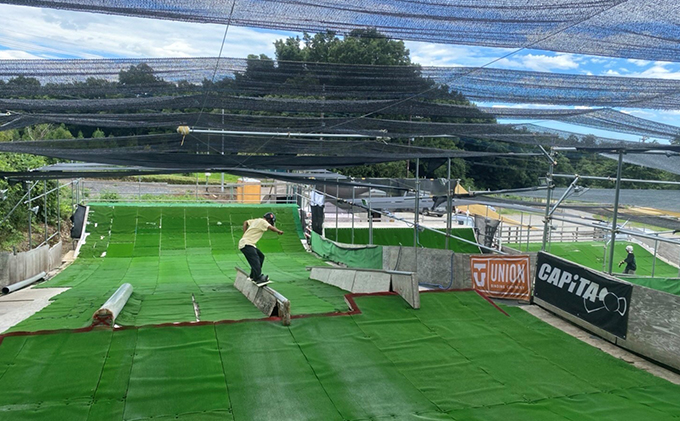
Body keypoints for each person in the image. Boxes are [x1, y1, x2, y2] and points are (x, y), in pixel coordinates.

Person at [239, 212, 283, 285]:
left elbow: (245, 222)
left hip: (247, 243)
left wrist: (245, 234)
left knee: (261, 256)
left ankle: (253, 276)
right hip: (247, 244)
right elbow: (271, 228)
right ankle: (258, 278)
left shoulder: (257, 220)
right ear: (269, 220)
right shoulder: (263, 221)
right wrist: (279, 231)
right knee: (256, 260)